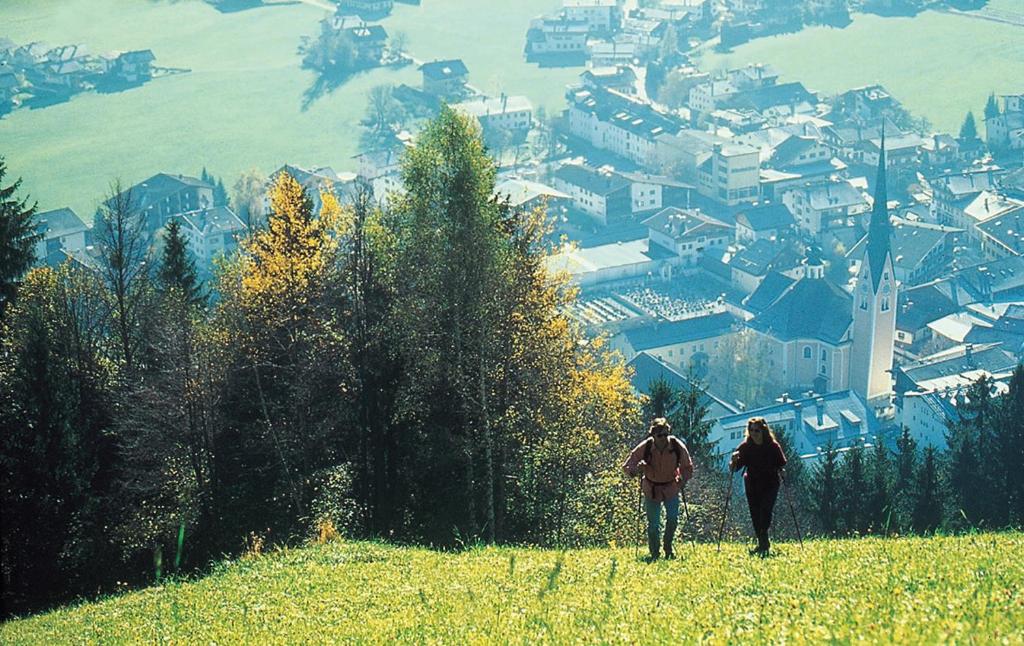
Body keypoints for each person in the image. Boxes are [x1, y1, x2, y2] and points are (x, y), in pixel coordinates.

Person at [623, 417, 694, 561]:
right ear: (653, 435)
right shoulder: (646, 446)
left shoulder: (676, 445)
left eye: (666, 434)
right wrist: (637, 470)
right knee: (653, 525)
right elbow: (627, 466)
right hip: (651, 489)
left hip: (671, 487)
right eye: (660, 435)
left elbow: (688, 467)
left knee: (673, 519)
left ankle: (668, 547)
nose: (663, 438)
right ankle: (655, 552)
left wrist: (683, 479)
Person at [729, 417, 787, 556]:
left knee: (765, 511)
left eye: (757, 430)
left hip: (770, 484)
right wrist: (733, 460)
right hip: (752, 485)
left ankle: (763, 542)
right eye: (751, 430)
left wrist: (782, 471)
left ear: (763, 431)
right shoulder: (745, 447)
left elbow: (781, 463)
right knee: (755, 514)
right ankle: (763, 544)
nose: (754, 433)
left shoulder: (773, 446)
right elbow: (734, 469)